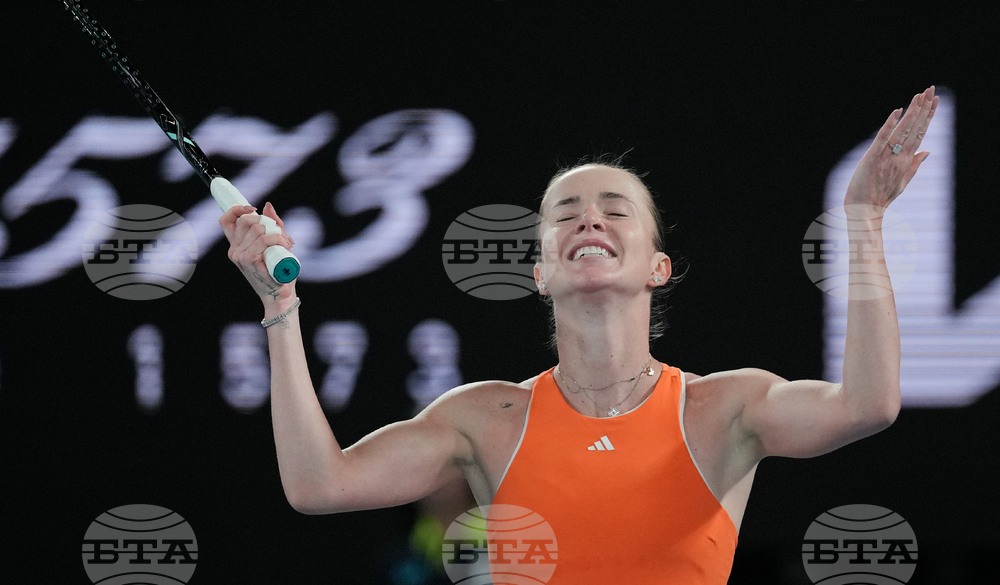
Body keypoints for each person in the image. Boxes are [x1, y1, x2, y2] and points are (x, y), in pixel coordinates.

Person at [219, 86, 938, 583]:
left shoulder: (725, 410)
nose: (589, 220)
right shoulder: (483, 418)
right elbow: (319, 486)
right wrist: (281, 307)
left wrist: (864, 221)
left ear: (658, 265)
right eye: (565, 213)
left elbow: (868, 405)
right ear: (540, 272)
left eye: (614, 209)